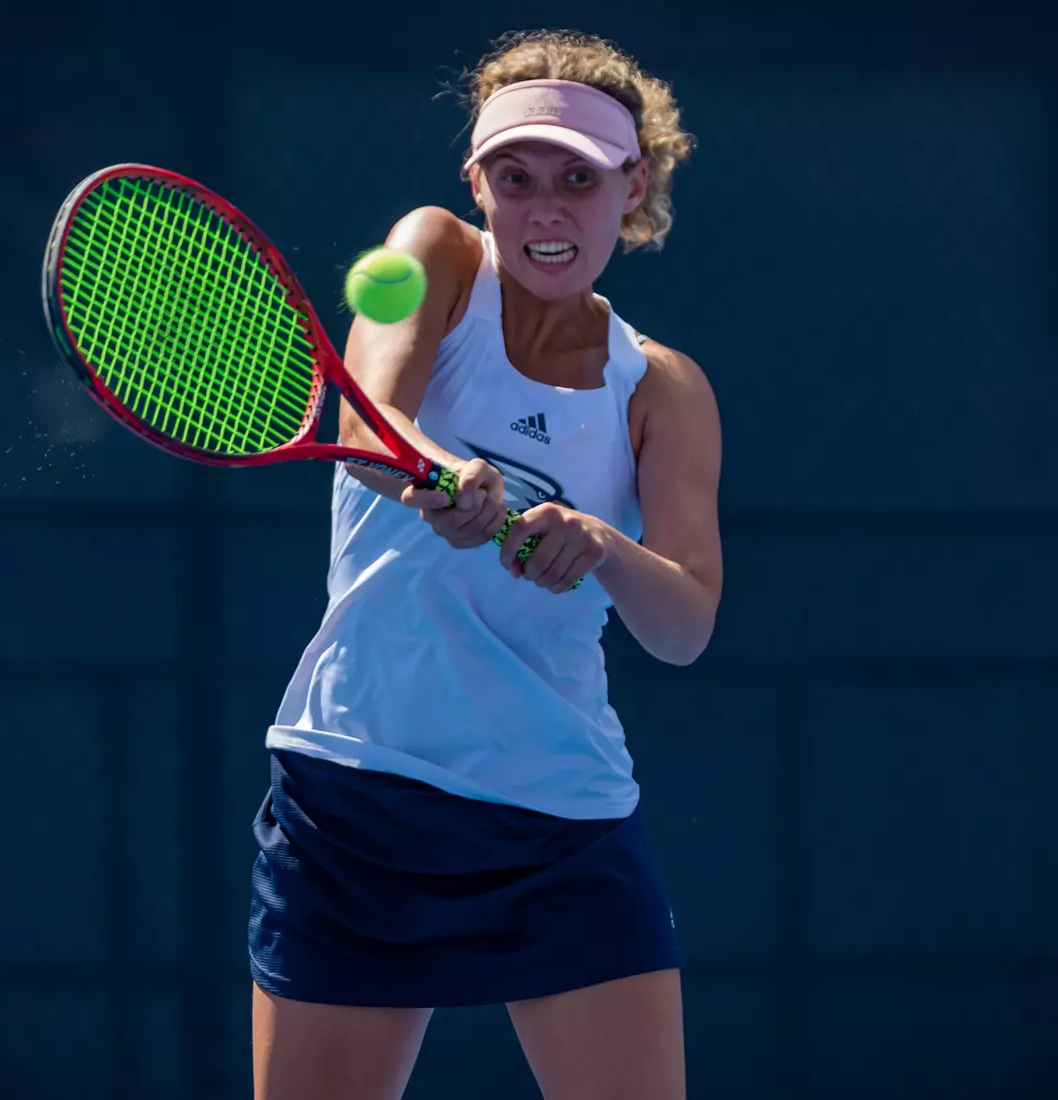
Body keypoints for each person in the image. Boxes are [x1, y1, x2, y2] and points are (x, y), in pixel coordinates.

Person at [248, 29, 721, 1100]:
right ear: (476, 183)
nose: (545, 210)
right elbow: (372, 429)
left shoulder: (665, 388)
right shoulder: (433, 252)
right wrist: (453, 475)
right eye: (516, 177)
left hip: (560, 820)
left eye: (578, 179)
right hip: (354, 794)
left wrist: (599, 544)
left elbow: (684, 624)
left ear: (631, 185)